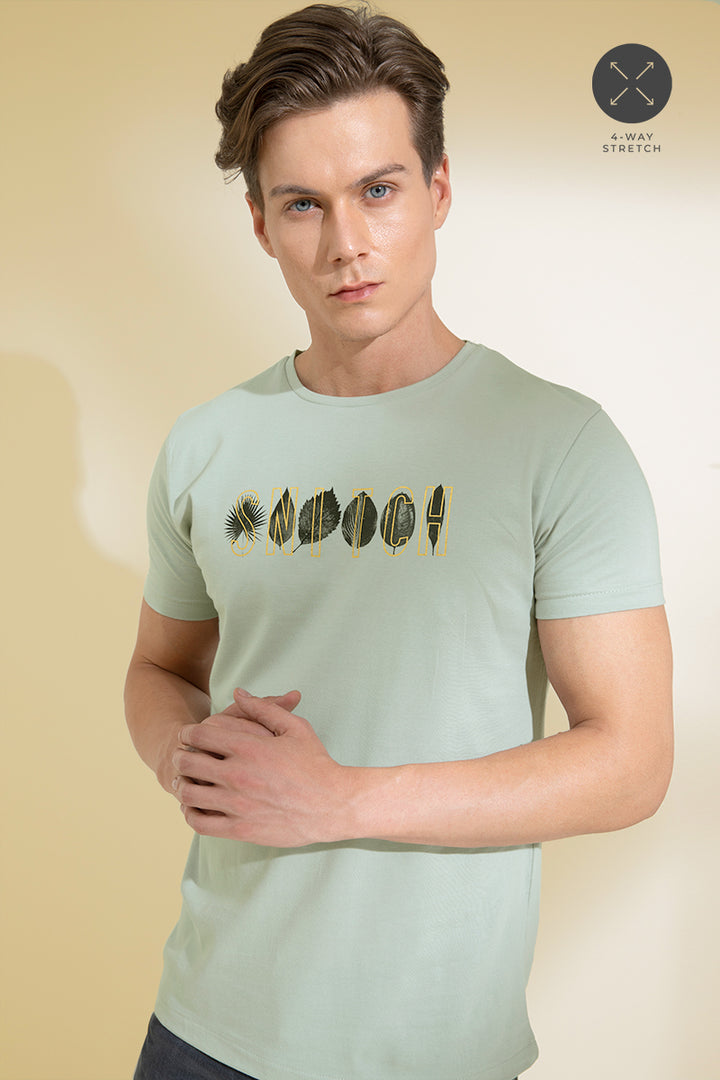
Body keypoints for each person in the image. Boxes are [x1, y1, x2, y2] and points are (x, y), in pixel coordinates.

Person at [125, 4, 673, 1079]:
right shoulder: (206, 444)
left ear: (439, 191)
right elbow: (159, 667)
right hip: (203, 1030)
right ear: (260, 225)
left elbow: (632, 762)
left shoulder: (558, 444)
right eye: (303, 204)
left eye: (378, 190)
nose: (346, 244)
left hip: (432, 1053)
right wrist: (173, 753)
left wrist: (343, 799)